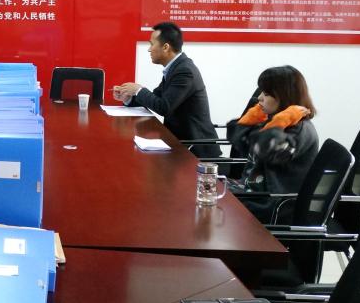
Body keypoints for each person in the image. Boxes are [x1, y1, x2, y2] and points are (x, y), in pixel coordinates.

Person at [113, 21, 220, 158]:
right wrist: (128, 98)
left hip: (195, 150)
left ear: (165, 47)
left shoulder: (184, 71)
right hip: (179, 144)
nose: (149, 49)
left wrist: (139, 90)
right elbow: (156, 98)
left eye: (152, 44)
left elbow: (164, 107)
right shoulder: (175, 68)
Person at [227, 65, 319, 223]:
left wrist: (280, 121)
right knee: (201, 187)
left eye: (266, 94)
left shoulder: (299, 130)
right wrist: (249, 119)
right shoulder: (272, 120)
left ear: (284, 97)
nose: (259, 98)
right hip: (250, 191)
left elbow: (267, 150)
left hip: (270, 205)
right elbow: (238, 140)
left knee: (206, 202)